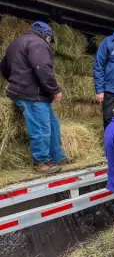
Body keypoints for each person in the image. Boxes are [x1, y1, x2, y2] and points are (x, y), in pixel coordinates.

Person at [1, 22, 66, 174]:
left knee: (53, 124)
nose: (49, 41)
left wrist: (16, 81)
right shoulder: (38, 43)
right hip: (32, 94)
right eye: (49, 38)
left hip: (27, 92)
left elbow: (4, 68)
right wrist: (55, 89)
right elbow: (42, 68)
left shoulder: (15, 44)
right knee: (41, 128)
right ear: (46, 35)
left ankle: (57, 157)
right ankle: (41, 162)